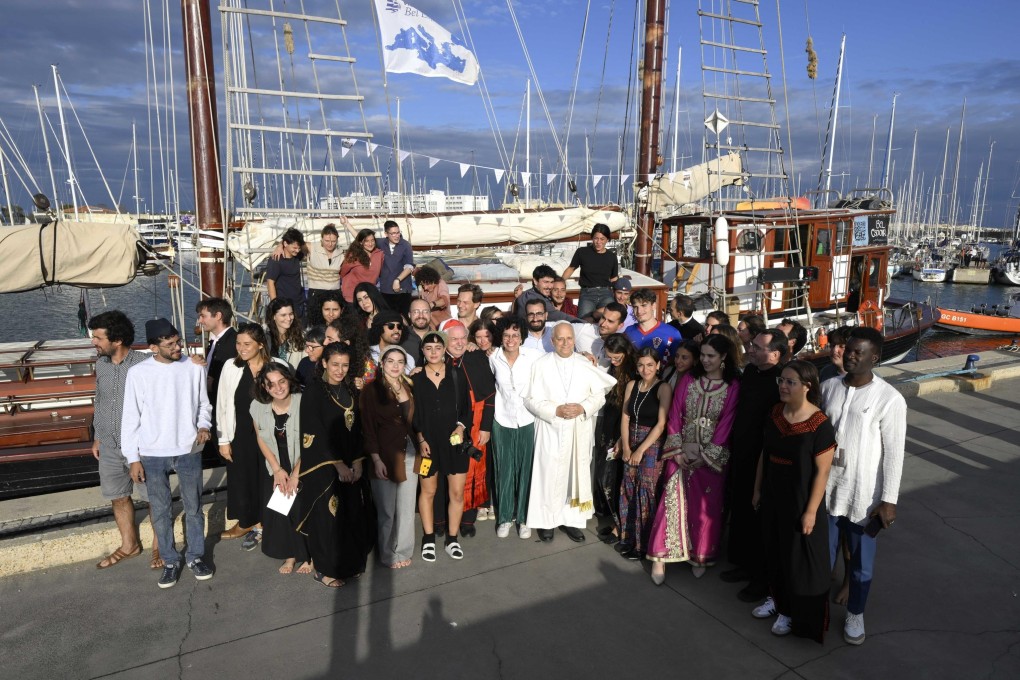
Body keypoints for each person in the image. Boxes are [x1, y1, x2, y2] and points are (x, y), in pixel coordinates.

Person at [821, 327, 906, 646]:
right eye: (849, 350)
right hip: (828, 490)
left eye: (860, 352)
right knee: (822, 556)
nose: (851, 355)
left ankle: (856, 613)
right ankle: (814, 607)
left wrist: (889, 500)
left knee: (860, 563)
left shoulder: (889, 398)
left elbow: (895, 453)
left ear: (876, 357)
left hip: (864, 497)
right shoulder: (829, 387)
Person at [121, 318, 213, 588]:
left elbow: (203, 405)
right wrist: (133, 458)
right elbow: (130, 418)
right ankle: (170, 561)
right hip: (151, 453)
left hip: (188, 449)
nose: (178, 347)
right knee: (160, 510)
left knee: (194, 507)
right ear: (153, 347)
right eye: (170, 344)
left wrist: (203, 425)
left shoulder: (193, 367)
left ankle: (196, 556)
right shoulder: (138, 373)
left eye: (178, 341)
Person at [751, 360, 835, 642]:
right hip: (773, 496)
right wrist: (757, 489)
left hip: (800, 502)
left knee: (796, 559)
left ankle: (791, 611)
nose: (783, 386)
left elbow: (822, 472)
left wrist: (811, 512)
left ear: (807, 386)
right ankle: (776, 599)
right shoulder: (776, 413)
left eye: (790, 382)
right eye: (781, 381)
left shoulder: (820, 425)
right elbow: (765, 453)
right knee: (772, 550)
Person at [647, 334, 740, 584]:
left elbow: (726, 424)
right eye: (703, 355)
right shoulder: (689, 379)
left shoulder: (732, 386)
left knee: (705, 509)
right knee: (670, 504)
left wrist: (706, 455)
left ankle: (700, 554)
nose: (706, 360)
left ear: (723, 357)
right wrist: (677, 449)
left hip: (710, 458)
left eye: (712, 356)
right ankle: (660, 557)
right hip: (681, 454)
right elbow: (675, 413)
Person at [522, 322, 616, 543]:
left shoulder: (585, 363)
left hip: (577, 428)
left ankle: (571, 521)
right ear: (552, 341)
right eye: (560, 339)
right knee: (548, 475)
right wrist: (554, 410)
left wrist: (583, 408)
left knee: (574, 475)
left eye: (569, 338)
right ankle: (547, 521)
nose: (565, 343)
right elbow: (530, 399)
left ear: (574, 340)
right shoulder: (541, 364)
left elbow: (599, 396)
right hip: (550, 427)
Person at [299, 343, 375, 586]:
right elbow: (314, 432)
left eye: (344, 365)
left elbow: (357, 430)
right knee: (328, 519)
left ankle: (349, 564)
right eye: (335, 365)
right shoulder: (313, 392)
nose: (340, 370)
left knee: (351, 515)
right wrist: (338, 464)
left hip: (352, 466)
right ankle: (325, 570)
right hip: (325, 466)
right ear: (324, 363)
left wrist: (358, 462)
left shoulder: (350, 390)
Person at [722, 328, 787, 601]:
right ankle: (741, 563)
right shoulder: (749, 373)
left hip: (765, 460)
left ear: (775, 354)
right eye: (752, 345)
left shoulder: (782, 381)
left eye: (757, 347)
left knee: (759, 518)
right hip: (741, 453)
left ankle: (759, 578)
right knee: (740, 510)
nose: (750, 349)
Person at [89, 311, 158, 570]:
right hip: (107, 444)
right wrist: (98, 436)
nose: (94, 342)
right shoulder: (102, 365)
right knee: (118, 497)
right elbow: (101, 400)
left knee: (154, 497)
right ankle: (130, 545)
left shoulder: (145, 364)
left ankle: (160, 546)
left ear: (116, 340)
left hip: (140, 448)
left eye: (98, 337)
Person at [216, 324, 280, 549]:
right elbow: (222, 404)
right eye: (238, 343)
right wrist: (223, 440)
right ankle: (246, 521)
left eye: (247, 344)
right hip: (240, 432)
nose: (241, 349)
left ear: (260, 344)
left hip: (270, 434)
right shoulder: (230, 367)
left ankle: (267, 523)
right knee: (242, 478)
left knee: (268, 477)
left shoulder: (277, 366)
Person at [412, 331, 472, 561]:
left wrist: (461, 427)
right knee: (428, 491)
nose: (434, 352)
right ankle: (428, 538)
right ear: (423, 351)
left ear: (444, 349)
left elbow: (467, 409)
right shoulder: (415, 378)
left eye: (438, 347)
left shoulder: (457, 374)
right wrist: (420, 439)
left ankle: (452, 538)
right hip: (425, 446)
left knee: (456, 493)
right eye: (429, 348)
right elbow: (411, 414)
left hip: (455, 444)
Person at [362, 346, 418, 569]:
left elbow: (413, 423)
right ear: (382, 364)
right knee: (386, 511)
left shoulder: (408, 387)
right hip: (384, 456)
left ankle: (403, 551)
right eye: (391, 361)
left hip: (409, 453)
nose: (395, 366)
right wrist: (375, 459)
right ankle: (386, 554)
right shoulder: (371, 390)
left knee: (406, 509)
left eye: (400, 361)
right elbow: (368, 428)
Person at [251, 363, 308, 575]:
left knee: (301, 507)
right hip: (275, 462)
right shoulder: (257, 407)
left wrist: (295, 473)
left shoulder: (304, 403)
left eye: (281, 381)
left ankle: (307, 556)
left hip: (302, 461)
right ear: (265, 387)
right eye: (271, 384)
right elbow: (260, 438)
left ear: (289, 381)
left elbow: (311, 441)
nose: (278, 388)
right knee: (280, 509)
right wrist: (277, 469)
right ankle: (290, 555)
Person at [488, 317, 542, 539]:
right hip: (501, 420)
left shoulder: (534, 357)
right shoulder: (493, 358)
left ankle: (523, 519)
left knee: (526, 470)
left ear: (522, 338)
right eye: (507, 335)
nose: (511, 339)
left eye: (515, 335)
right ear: (501, 337)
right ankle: (504, 518)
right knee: (504, 470)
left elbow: (559, 359)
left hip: (527, 419)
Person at [617, 348, 672, 560]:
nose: (645, 369)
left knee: (646, 490)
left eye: (650, 364)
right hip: (631, 438)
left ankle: (644, 544)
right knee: (629, 487)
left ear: (658, 365)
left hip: (652, 443)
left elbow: (661, 424)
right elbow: (625, 417)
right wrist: (628, 446)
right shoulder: (632, 384)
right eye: (641, 365)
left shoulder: (663, 388)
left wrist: (640, 450)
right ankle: (628, 537)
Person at [444, 320, 496, 537]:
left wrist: (485, 427)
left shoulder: (476, 357)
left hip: (475, 425)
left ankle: (468, 519)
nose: (459, 343)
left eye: (463, 338)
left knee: (474, 470)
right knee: (449, 470)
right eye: (454, 339)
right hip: (446, 425)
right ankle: (443, 519)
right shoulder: (437, 358)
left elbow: (490, 395)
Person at [593, 333, 636, 543]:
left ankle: (621, 528)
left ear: (626, 351)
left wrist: (622, 438)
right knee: (606, 476)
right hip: (609, 427)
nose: (613, 360)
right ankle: (615, 522)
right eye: (610, 356)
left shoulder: (634, 370)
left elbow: (630, 409)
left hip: (623, 429)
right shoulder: (614, 367)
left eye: (616, 356)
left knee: (616, 479)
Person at [562, 223, 619, 320]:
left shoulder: (611, 256)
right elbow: (571, 268)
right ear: (592, 238)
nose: (599, 242)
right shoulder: (582, 252)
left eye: (602, 239)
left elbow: (614, 278)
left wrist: (618, 296)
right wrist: (560, 283)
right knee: (583, 323)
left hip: (606, 293)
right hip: (587, 293)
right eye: (596, 238)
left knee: (611, 319)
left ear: (607, 240)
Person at [196, 297, 238, 408]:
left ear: (218, 316)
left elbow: (238, 377)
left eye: (203, 316)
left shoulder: (235, 343)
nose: (200, 321)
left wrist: (214, 385)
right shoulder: (216, 342)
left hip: (226, 407)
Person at [625, 288, 682, 366]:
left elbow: (678, 364)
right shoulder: (628, 332)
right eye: (635, 307)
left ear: (653, 306)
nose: (639, 311)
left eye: (644, 305)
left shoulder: (672, 333)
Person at [305, 224, 343, 325]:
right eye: (327, 241)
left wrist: (346, 224)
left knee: (336, 325)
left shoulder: (341, 252)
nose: (330, 244)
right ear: (321, 239)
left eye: (333, 241)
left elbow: (361, 243)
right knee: (316, 325)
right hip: (316, 293)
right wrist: (279, 247)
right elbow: (291, 242)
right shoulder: (311, 247)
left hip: (335, 293)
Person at [266, 228, 306, 318]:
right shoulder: (276, 259)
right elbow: (270, 282)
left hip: (299, 304)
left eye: (299, 248)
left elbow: (306, 245)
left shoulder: (297, 255)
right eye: (294, 248)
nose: (297, 250)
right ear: (285, 244)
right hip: (284, 306)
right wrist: (275, 305)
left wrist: (280, 245)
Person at [339, 228, 384, 305]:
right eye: (366, 241)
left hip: (369, 297)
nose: (370, 244)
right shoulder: (353, 256)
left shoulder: (379, 254)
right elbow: (342, 273)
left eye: (372, 240)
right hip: (351, 297)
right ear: (360, 242)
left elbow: (380, 273)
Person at [379, 220, 415, 316]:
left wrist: (397, 280)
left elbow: (409, 266)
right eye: (393, 233)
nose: (397, 235)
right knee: (387, 318)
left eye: (398, 232)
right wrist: (347, 224)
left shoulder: (406, 245)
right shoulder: (380, 243)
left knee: (403, 318)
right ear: (386, 234)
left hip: (403, 290)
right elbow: (363, 239)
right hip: (385, 290)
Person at [265, 297, 305, 367]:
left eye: (291, 314)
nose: (288, 318)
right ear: (273, 316)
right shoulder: (265, 338)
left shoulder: (301, 336)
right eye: (283, 315)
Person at [401, 298, 433, 363]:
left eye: (425, 312)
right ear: (409, 315)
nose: (421, 316)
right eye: (416, 312)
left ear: (431, 315)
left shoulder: (439, 338)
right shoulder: (400, 337)